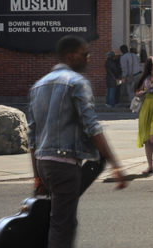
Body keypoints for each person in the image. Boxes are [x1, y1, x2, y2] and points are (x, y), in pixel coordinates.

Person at [28, 35, 128, 248]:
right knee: (63, 225)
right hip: (64, 164)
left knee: (58, 219)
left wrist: (37, 176)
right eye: (85, 54)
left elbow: (32, 136)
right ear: (71, 56)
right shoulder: (77, 83)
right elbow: (92, 126)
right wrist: (115, 164)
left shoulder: (38, 86)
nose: (89, 59)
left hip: (44, 164)